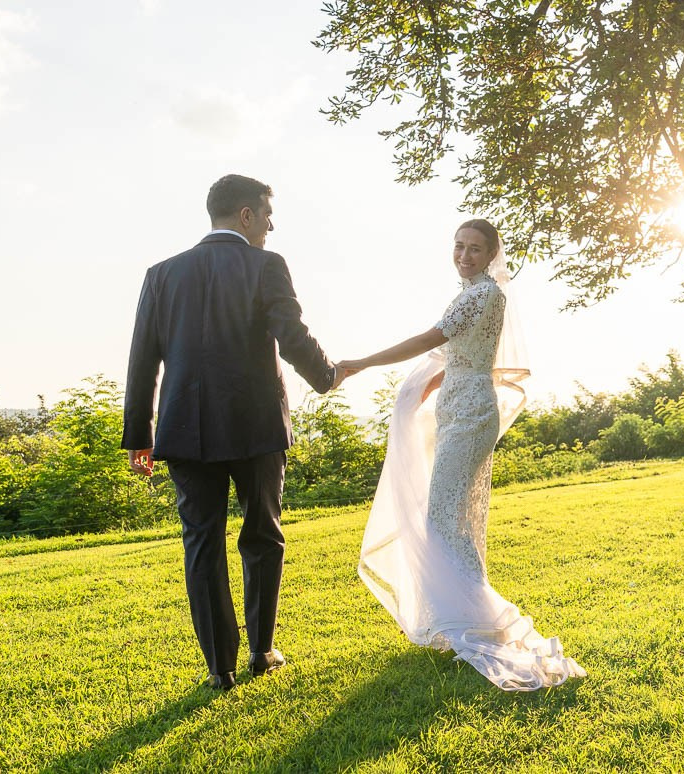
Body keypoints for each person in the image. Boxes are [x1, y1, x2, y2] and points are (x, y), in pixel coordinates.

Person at [122, 174, 352, 690]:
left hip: (184, 430)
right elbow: (290, 334)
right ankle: (262, 650)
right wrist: (326, 376)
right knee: (263, 535)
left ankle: (218, 670)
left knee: (201, 544)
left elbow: (142, 360)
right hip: (256, 426)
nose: (271, 225)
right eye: (267, 214)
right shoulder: (266, 265)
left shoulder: (161, 274)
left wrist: (140, 434)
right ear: (246, 215)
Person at [339, 218, 585, 691]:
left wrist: (362, 362)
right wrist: (424, 390)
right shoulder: (469, 292)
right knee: (453, 518)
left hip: (472, 412)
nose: (464, 256)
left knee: (442, 517)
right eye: (458, 247)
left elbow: (428, 341)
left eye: (474, 249)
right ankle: (466, 623)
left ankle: (471, 623)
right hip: (457, 404)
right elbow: (456, 354)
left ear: (492, 255)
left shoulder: (484, 294)